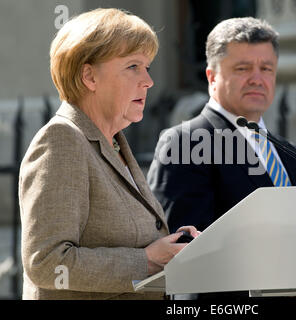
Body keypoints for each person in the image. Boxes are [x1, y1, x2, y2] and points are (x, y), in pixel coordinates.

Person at [19, 8, 198, 300]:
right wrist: (148, 260)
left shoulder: (114, 144)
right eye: (133, 67)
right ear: (89, 76)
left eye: (148, 67)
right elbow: (47, 263)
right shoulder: (62, 140)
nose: (148, 81)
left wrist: (174, 246)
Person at [148, 17, 296, 235]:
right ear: (212, 77)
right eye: (243, 68)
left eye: (266, 68)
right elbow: (181, 244)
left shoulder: (291, 155)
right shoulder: (185, 143)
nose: (257, 79)